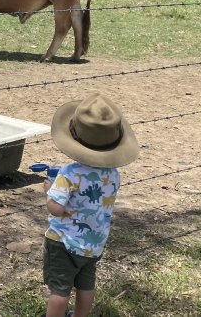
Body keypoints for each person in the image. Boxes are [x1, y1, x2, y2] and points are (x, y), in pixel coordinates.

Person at [41, 92, 139, 317]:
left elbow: (56, 208)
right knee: (86, 286)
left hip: (64, 243)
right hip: (93, 243)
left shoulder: (69, 173)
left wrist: (49, 192)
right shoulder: (114, 174)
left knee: (59, 289)